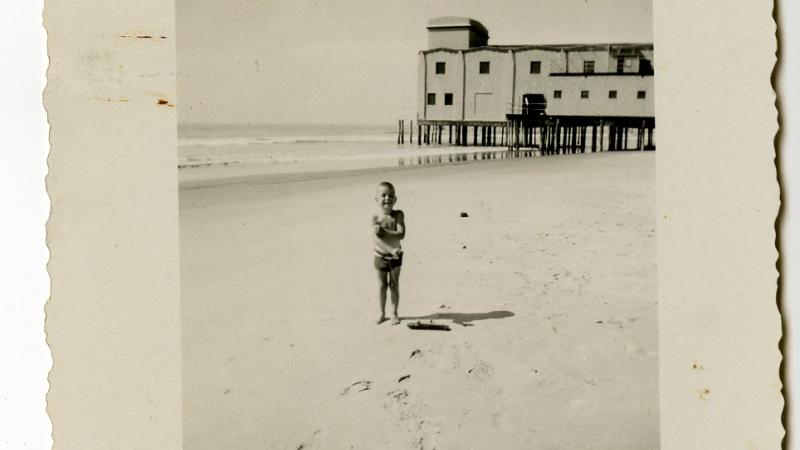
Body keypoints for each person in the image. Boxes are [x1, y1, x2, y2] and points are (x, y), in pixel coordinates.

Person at [372, 181, 405, 325]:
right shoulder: (375, 218)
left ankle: (394, 313)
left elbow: (401, 234)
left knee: (393, 285)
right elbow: (376, 239)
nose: (387, 198)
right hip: (380, 256)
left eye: (391, 196)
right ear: (376, 199)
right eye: (383, 195)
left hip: (396, 257)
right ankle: (381, 313)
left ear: (395, 199)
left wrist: (384, 231)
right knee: (381, 286)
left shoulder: (398, 215)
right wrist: (390, 249)